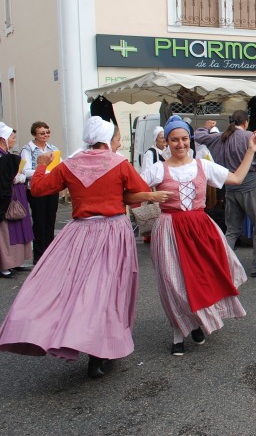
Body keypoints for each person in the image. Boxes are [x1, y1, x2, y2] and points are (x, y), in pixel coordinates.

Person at [0, 117, 169, 378]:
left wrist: (42, 166)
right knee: (110, 291)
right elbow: (137, 190)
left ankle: (69, 337)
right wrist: (142, 195)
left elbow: (40, 187)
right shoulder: (119, 163)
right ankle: (100, 352)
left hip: (79, 232)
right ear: (106, 138)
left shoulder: (70, 164)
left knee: (73, 289)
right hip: (113, 230)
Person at [140, 116, 256, 356]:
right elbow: (131, 192)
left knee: (202, 278)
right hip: (170, 229)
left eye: (184, 138)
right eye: (174, 139)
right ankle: (178, 333)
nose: (180, 144)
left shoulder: (202, 165)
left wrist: (251, 151)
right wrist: (151, 197)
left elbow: (235, 178)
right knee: (173, 284)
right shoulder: (156, 169)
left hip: (200, 228)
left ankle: (196, 321)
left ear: (190, 140)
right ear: (167, 142)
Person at [194, 110, 256, 278]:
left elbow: (198, 136)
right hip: (249, 186)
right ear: (246, 122)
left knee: (232, 230)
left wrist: (206, 126)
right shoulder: (248, 137)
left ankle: (223, 266)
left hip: (230, 187)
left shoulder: (219, 137)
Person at [20, 121, 60, 265]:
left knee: (50, 221)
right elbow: (25, 171)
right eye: (42, 133)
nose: (46, 135)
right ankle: (39, 256)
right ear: (35, 135)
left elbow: (59, 166)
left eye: (47, 132)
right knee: (39, 221)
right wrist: (45, 170)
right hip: (36, 189)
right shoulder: (28, 149)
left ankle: (50, 252)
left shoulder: (53, 148)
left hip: (51, 188)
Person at [0, 124, 33, 278]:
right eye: (11, 138)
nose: (13, 140)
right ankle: (4, 264)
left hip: (16, 196)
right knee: (6, 232)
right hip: (5, 199)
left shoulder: (5, 153)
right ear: (3, 139)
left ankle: (16, 260)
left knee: (18, 228)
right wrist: (18, 177)